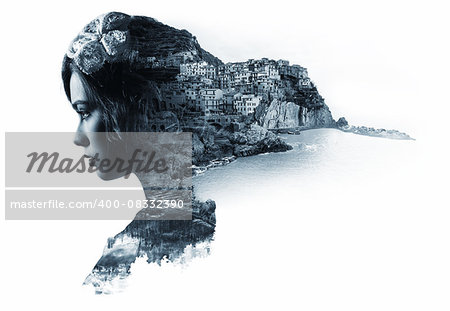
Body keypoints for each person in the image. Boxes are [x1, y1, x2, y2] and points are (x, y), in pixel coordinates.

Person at [62, 12, 216, 294]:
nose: (78, 138)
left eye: (84, 113)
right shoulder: (208, 220)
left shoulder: (125, 261)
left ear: (136, 107)